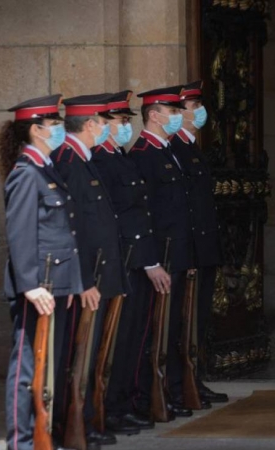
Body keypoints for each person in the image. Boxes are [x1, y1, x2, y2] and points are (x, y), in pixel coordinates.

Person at [0, 94, 84, 450]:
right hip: (39, 287)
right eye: (56, 124)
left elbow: (63, 234)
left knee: (48, 364)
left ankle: (42, 434)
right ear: (36, 130)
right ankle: (21, 442)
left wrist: (70, 284)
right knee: (27, 369)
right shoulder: (25, 174)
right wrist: (31, 286)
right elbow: (20, 234)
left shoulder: (45, 170)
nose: (61, 130)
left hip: (56, 283)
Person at [90, 90, 173, 431]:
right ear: (100, 124)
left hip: (137, 259)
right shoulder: (98, 160)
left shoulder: (121, 157)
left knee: (133, 336)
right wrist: (147, 259)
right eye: (120, 121)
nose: (126, 126)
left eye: (127, 120)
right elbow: (117, 217)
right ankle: (107, 407)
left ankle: (122, 402)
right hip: (122, 260)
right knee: (116, 338)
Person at [54, 94, 129, 446]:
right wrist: (82, 279)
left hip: (98, 274)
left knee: (91, 353)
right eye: (102, 121)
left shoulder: (85, 159)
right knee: (75, 355)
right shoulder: (68, 161)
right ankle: (71, 424)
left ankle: (85, 420)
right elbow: (71, 229)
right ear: (89, 125)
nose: (106, 127)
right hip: (84, 278)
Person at [129, 85, 207, 417]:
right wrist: (152, 258)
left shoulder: (168, 151)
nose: (180, 117)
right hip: (161, 254)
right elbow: (143, 212)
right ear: (155, 115)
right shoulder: (143, 154)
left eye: (180, 110)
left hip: (178, 253)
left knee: (174, 327)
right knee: (154, 330)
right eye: (174, 112)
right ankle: (150, 394)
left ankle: (171, 390)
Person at [168, 80, 229, 404]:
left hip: (202, 249)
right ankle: (179, 384)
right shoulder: (174, 150)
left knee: (198, 321)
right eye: (193, 107)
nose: (199, 111)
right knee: (182, 322)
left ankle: (194, 379)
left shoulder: (190, 148)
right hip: (188, 251)